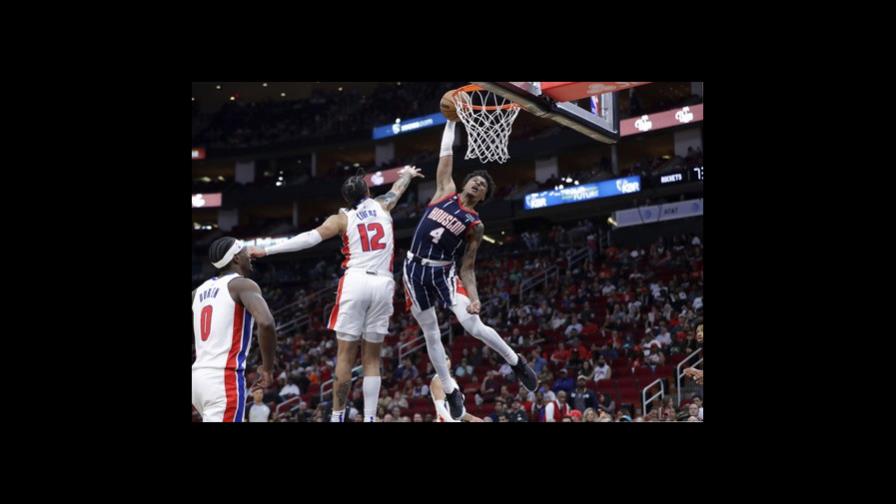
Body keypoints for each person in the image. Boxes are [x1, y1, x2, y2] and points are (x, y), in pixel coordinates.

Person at [250, 166, 423, 423]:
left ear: (346, 199)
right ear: (367, 191)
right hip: (383, 283)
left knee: (345, 356)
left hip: (356, 281)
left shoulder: (342, 219)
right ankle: (370, 418)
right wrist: (407, 174)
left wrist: (268, 250)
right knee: (372, 359)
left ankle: (337, 417)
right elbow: (397, 189)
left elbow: (309, 239)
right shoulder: (383, 205)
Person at [402, 118, 537, 420]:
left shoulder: (475, 224)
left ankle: (516, 363)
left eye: (483, 186)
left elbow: (468, 268)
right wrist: (451, 122)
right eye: (475, 180)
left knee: (473, 325)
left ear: (483, 197)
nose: (478, 184)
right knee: (430, 333)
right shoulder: (444, 191)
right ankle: (450, 390)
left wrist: (474, 298)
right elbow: (445, 153)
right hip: (413, 271)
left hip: (444, 273)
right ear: (465, 184)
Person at [192, 237, 277, 422]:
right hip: (223, 378)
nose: (249, 255)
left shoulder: (197, 292)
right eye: (245, 251)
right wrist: (268, 368)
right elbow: (266, 323)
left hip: (197, 378)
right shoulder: (242, 284)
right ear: (236, 258)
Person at [430, 357, 483, 422]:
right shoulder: (438, 379)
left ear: (450, 361)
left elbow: (458, 412)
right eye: (441, 359)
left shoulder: (453, 381)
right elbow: (440, 406)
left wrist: (473, 418)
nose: (444, 362)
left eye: (446, 359)